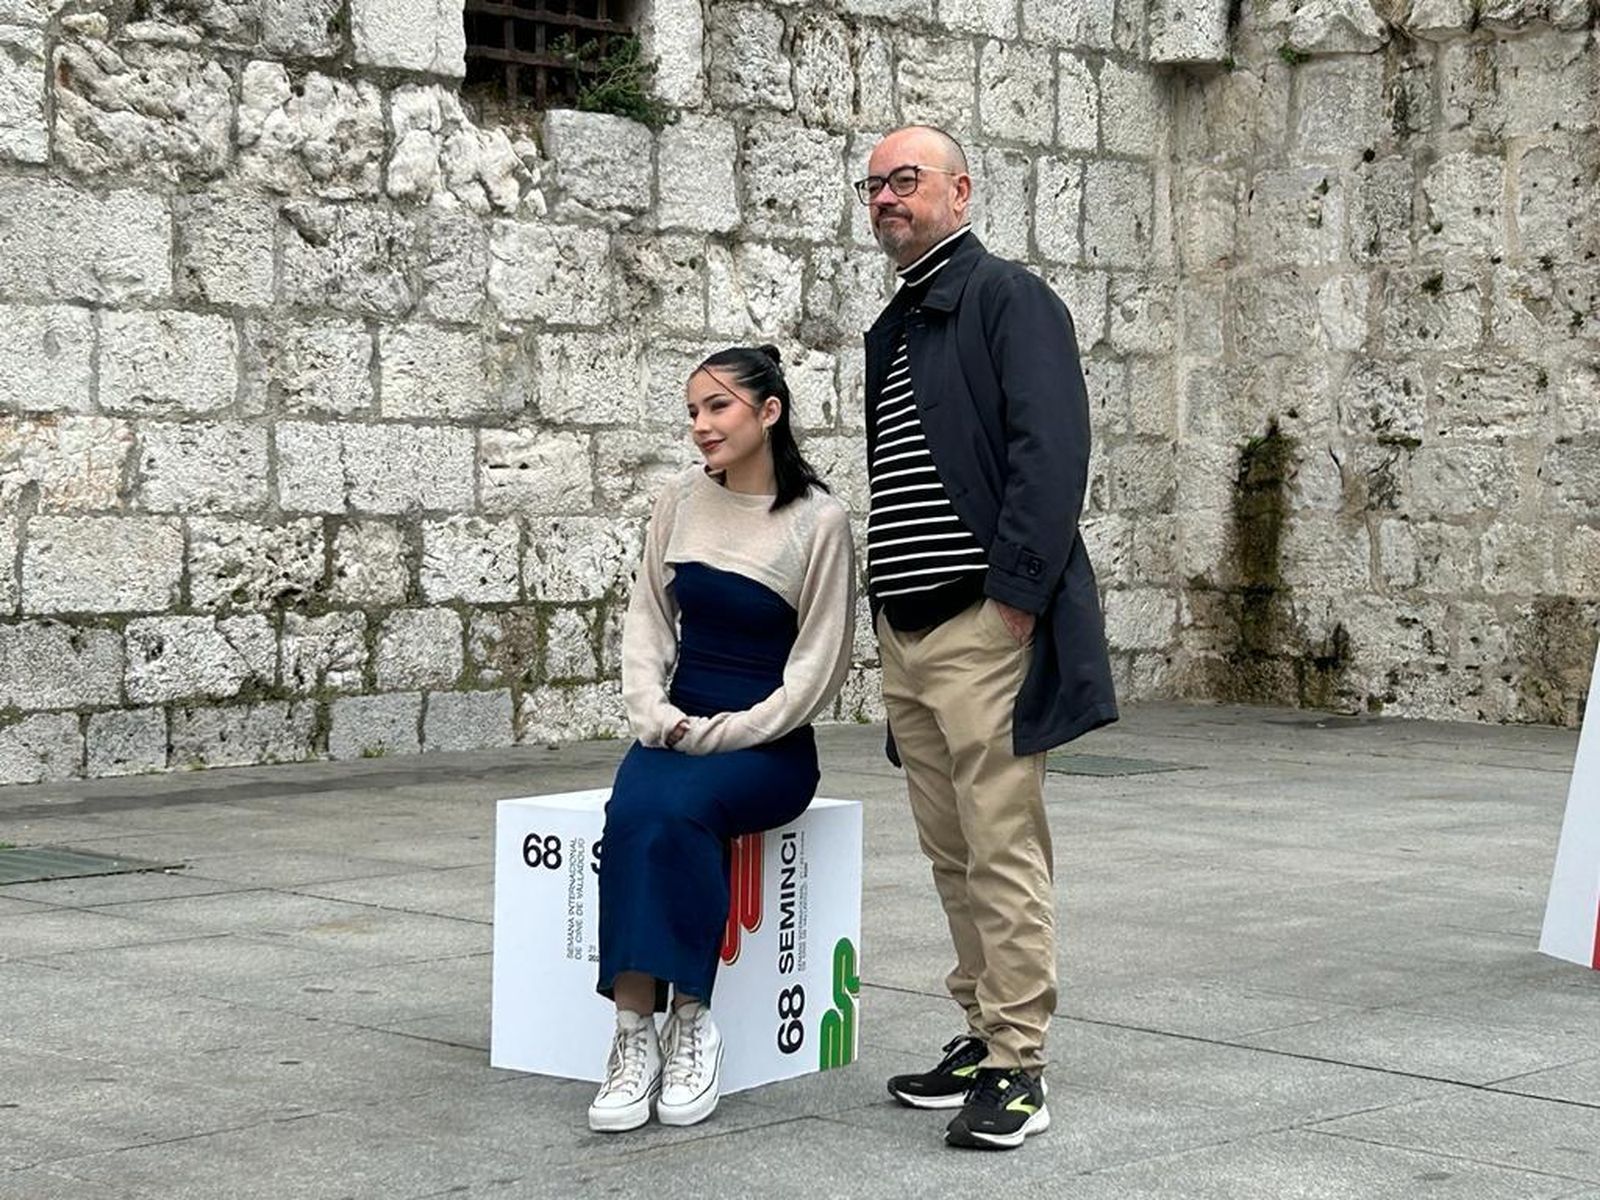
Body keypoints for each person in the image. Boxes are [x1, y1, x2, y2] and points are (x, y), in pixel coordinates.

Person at [853, 125, 1117, 1150]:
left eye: (906, 180)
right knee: (949, 848)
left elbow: (1051, 451)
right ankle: (978, 1028)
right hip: (909, 626)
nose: (886, 197)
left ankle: (1019, 1064)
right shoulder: (897, 324)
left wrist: (1014, 597)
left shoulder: (1008, 297)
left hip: (978, 622)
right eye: (874, 184)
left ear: (959, 192)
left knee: (1000, 845)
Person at [586, 344, 856, 1133]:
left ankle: (693, 1019)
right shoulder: (679, 499)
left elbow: (819, 667)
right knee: (632, 814)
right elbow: (648, 618)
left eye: (718, 408)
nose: (701, 426)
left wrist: (729, 732)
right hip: (677, 725)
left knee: (680, 814)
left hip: (767, 744)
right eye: (694, 412)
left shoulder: (819, 521)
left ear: (768, 413)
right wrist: (651, 712)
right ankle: (633, 1036)